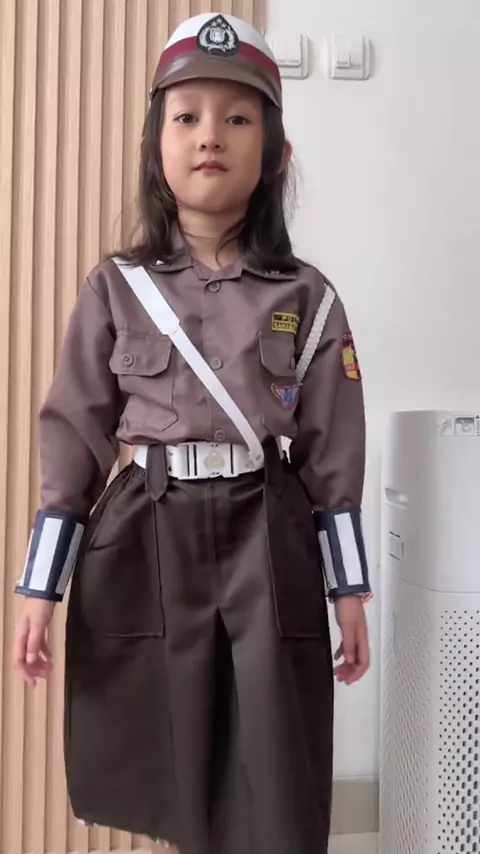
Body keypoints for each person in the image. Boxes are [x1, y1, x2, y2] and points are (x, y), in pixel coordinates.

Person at [12, 12, 371, 854]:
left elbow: (334, 450)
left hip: (267, 533)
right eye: (187, 116)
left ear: (275, 154)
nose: (211, 134)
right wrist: (39, 587)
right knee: (169, 758)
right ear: (157, 146)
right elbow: (74, 436)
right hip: (149, 532)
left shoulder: (308, 298)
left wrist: (348, 591)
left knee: (274, 760)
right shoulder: (114, 288)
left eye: (239, 117)